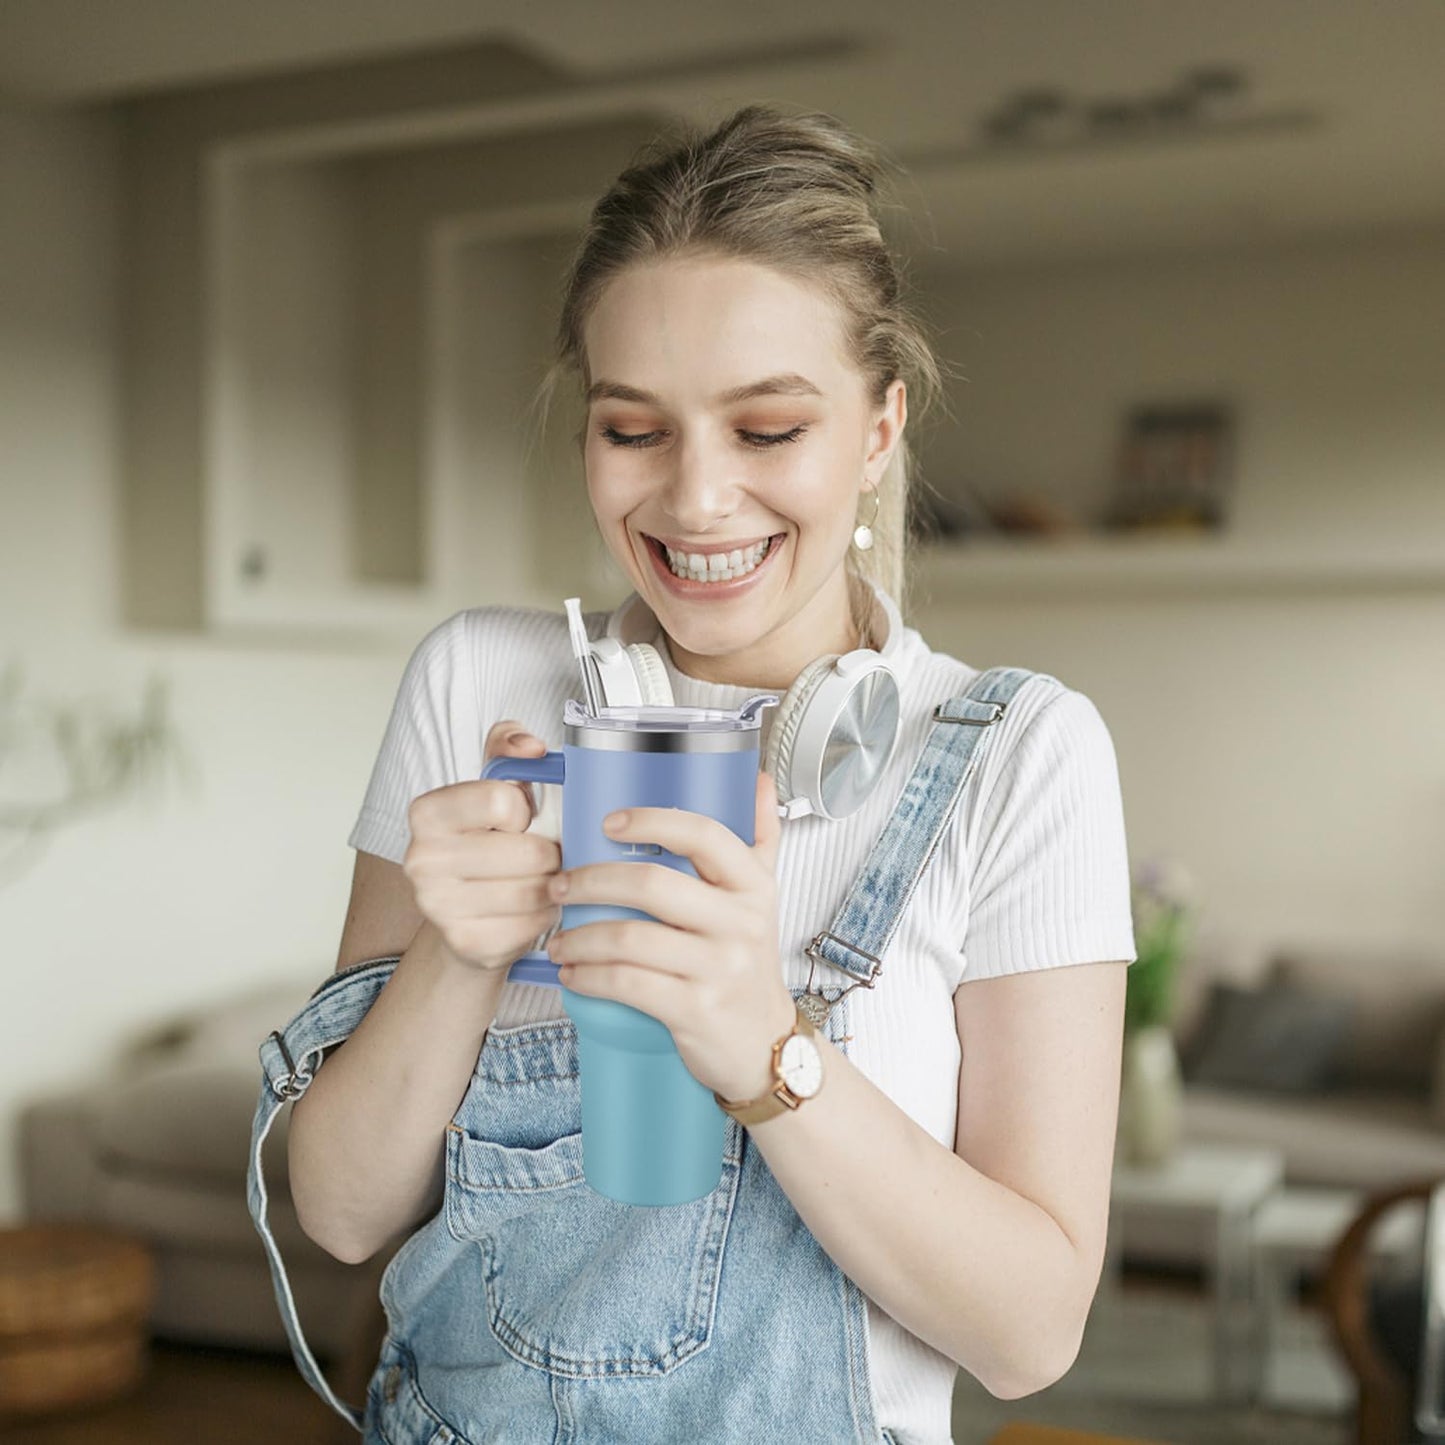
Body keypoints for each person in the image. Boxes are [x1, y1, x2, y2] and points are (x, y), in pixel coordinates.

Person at [283, 103, 1137, 1444]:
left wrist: (760, 1039)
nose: (693, 500)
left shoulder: (1018, 756)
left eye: (765, 429)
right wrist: (459, 954)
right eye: (635, 430)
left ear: (874, 432)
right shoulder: (476, 688)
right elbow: (336, 1213)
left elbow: (1030, 1334)